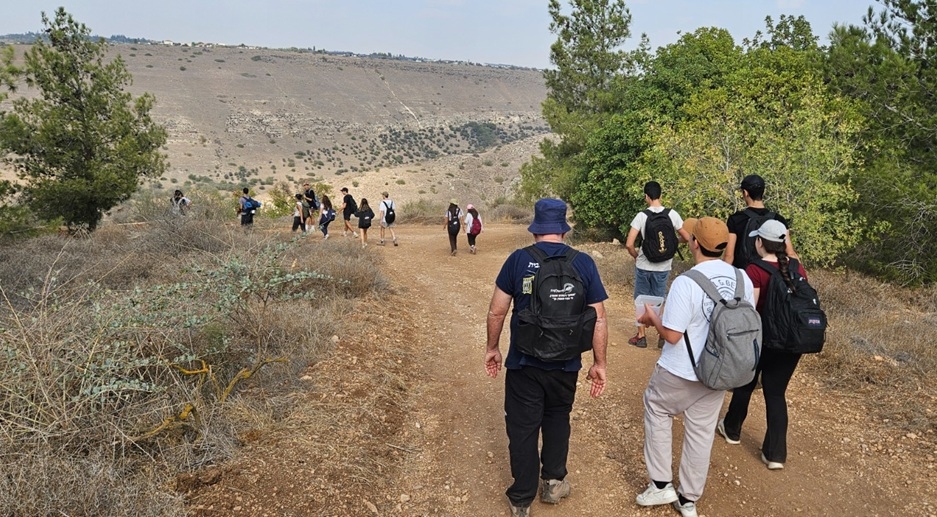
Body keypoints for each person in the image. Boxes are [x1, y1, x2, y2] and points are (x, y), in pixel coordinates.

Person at [485, 198, 608, 517]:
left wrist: (492, 348)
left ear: (537, 227)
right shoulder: (583, 263)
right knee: (557, 419)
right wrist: (599, 363)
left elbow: (497, 310)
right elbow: (600, 318)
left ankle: (521, 498)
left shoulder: (518, 260)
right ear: (563, 229)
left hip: (524, 363)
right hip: (566, 364)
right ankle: (553, 482)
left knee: (523, 427)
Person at [636, 216, 755, 517]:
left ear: (694, 243)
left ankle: (661, 484)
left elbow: (673, 335)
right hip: (720, 372)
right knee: (701, 433)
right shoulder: (743, 279)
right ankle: (688, 500)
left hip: (680, 371)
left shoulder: (686, 282)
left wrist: (652, 319)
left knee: (657, 409)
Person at [717, 219, 807, 470]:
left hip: (762, 339)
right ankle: (775, 454)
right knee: (776, 394)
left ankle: (732, 429)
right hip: (791, 342)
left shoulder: (753, 271)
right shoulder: (798, 268)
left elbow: (750, 310)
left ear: (759, 242)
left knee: (745, 384)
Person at [625, 181, 691, 349]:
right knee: (659, 300)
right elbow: (687, 236)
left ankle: (641, 337)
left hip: (644, 265)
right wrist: (674, 242)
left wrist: (636, 256)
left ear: (646, 197)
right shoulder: (672, 214)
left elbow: (629, 244)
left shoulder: (642, 216)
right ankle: (661, 336)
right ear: (661, 195)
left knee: (641, 300)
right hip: (663, 266)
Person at [725, 174, 796, 269]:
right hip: (773, 275)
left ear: (745, 193)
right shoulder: (778, 219)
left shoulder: (736, 219)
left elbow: (729, 256)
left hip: (746, 275)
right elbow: (790, 252)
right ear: (764, 191)